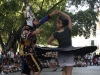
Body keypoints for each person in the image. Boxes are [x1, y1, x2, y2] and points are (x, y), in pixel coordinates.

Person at [20, 6, 56, 75]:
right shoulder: (27, 28)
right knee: (37, 68)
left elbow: (42, 21)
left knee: (26, 71)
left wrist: (51, 14)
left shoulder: (31, 27)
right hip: (27, 52)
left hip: (25, 52)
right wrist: (35, 32)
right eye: (35, 20)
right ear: (31, 21)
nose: (38, 21)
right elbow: (24, 37)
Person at [47, 10, 74, 75]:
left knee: (64, 71)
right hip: (69, 51)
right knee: (69, 71)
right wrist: (60, 12)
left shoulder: (55, 34)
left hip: (61, 52)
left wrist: (57, 45)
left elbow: (48, 42)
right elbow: (68, 18)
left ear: (60, 24)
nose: (56, 24)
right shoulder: (68, 29)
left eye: (57, 23)